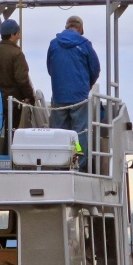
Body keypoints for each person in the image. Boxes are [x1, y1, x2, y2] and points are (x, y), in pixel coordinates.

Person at [46, 15, 100, 169]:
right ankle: (78, 164)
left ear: (66, 26)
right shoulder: (85, 44)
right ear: (80, 28)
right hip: (79, 98)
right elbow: (95, 69)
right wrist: (87, 85)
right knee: (79, 134)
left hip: (59, 96)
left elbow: (50, 68)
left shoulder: (54, 44)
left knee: (58, 133)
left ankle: (57, 165)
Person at [0, 18, 35, 142]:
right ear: (13, 34)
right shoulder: (16, 54)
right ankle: (9, 158)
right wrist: (29, 97)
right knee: (11, 133)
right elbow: (22, 79)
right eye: (18, 33)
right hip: (12, 102)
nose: (19, 36)